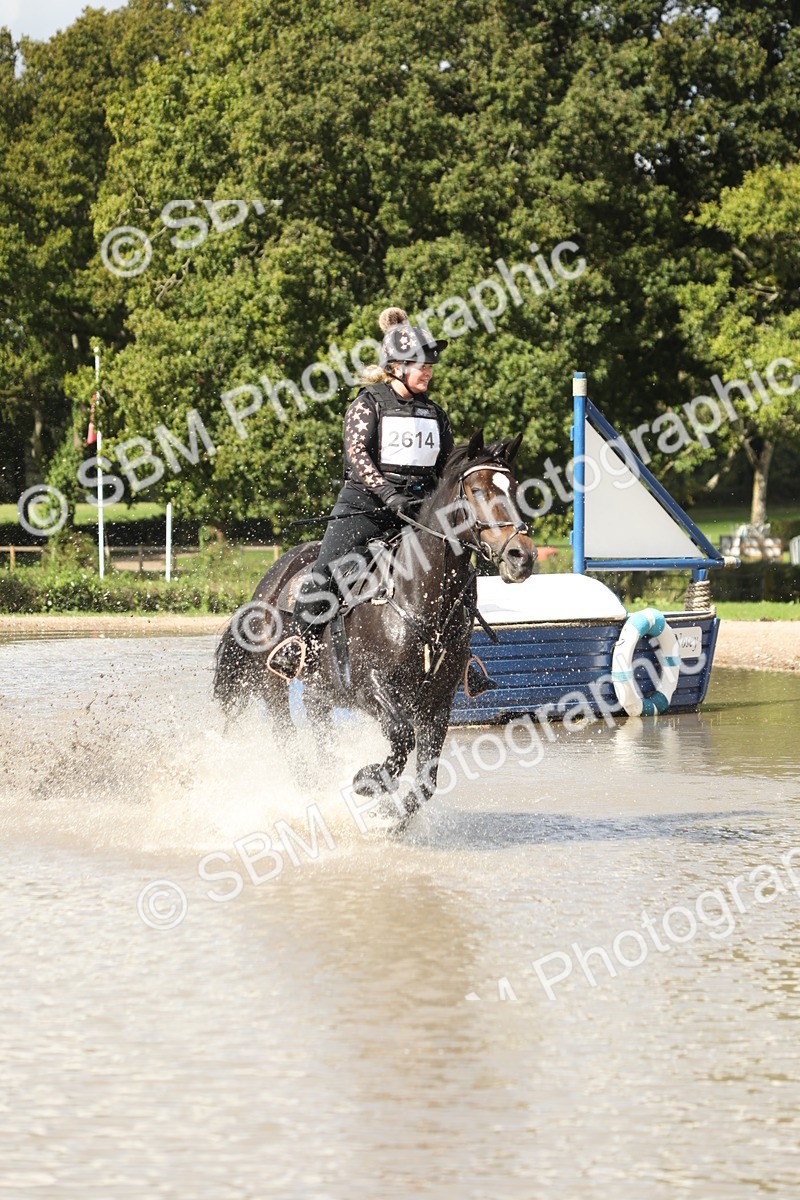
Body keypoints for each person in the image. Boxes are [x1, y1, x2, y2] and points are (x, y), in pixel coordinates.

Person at [267, 305, 454, 680]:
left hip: (415, 512)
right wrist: (388, 494)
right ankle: (299, 645)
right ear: (397, 367)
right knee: (326, 570)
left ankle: (462, 660)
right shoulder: (368, 403)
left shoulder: (435, 414)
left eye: (430, 366)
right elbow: (357, 457)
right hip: (365, 507)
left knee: (452, 568)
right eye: (421, 365)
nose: (428, 371)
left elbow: (445, 467)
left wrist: (436, 501)